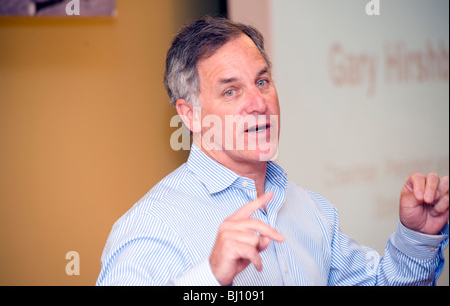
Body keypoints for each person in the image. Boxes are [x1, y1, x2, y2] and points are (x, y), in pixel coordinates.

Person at [96, 17, 449, 286]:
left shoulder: (312, 211)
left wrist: (418, 235)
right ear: (190, 114)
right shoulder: (150, 227)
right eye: (231, 92)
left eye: (262, 82)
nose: (258, 103)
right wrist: (209, 278)